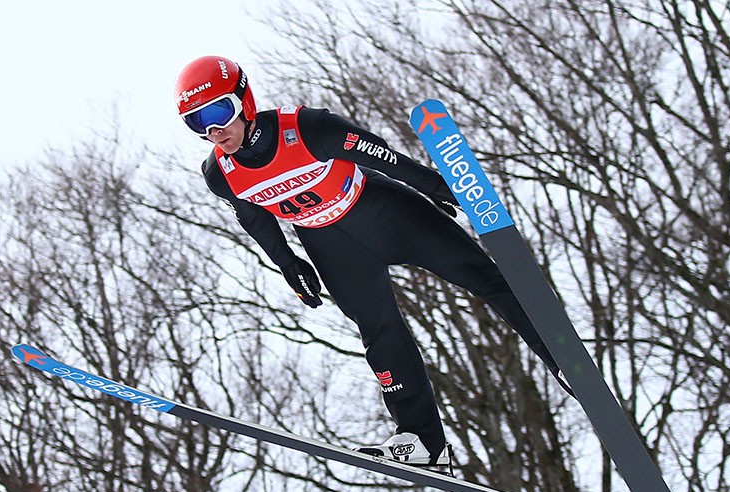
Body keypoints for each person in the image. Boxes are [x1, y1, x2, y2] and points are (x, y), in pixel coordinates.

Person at [174, 55, 572, 469]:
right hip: (331, 246)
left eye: (218, 113)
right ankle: (423, 440)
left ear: (244, 100)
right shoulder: (220, 173)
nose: (213, 130)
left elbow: (385, 157)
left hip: (384, 213)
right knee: (379, 333)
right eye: (196, 122)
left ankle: (562, 358)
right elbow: (254, 218)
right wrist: (288, 264)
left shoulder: (309, 127)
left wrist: (438, 187)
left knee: (483, 276)